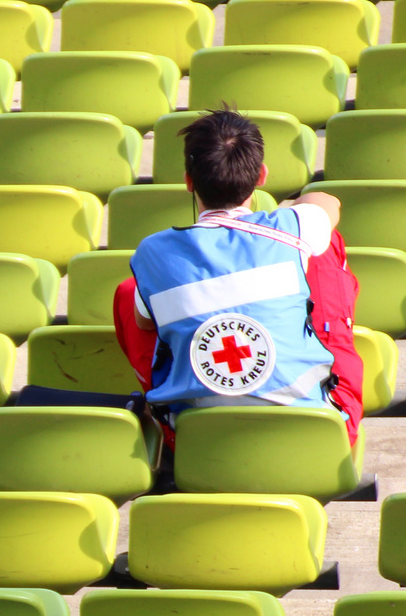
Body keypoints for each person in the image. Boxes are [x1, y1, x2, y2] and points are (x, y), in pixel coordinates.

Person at [113, 107, 363, 445]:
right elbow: (326, 202)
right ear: (262, 176)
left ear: (188, 181)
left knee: (134, 293)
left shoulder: (153, 251)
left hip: (196, 436)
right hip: (314, 430)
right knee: (324, 245)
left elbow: (144, 326)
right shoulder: (292, 227)